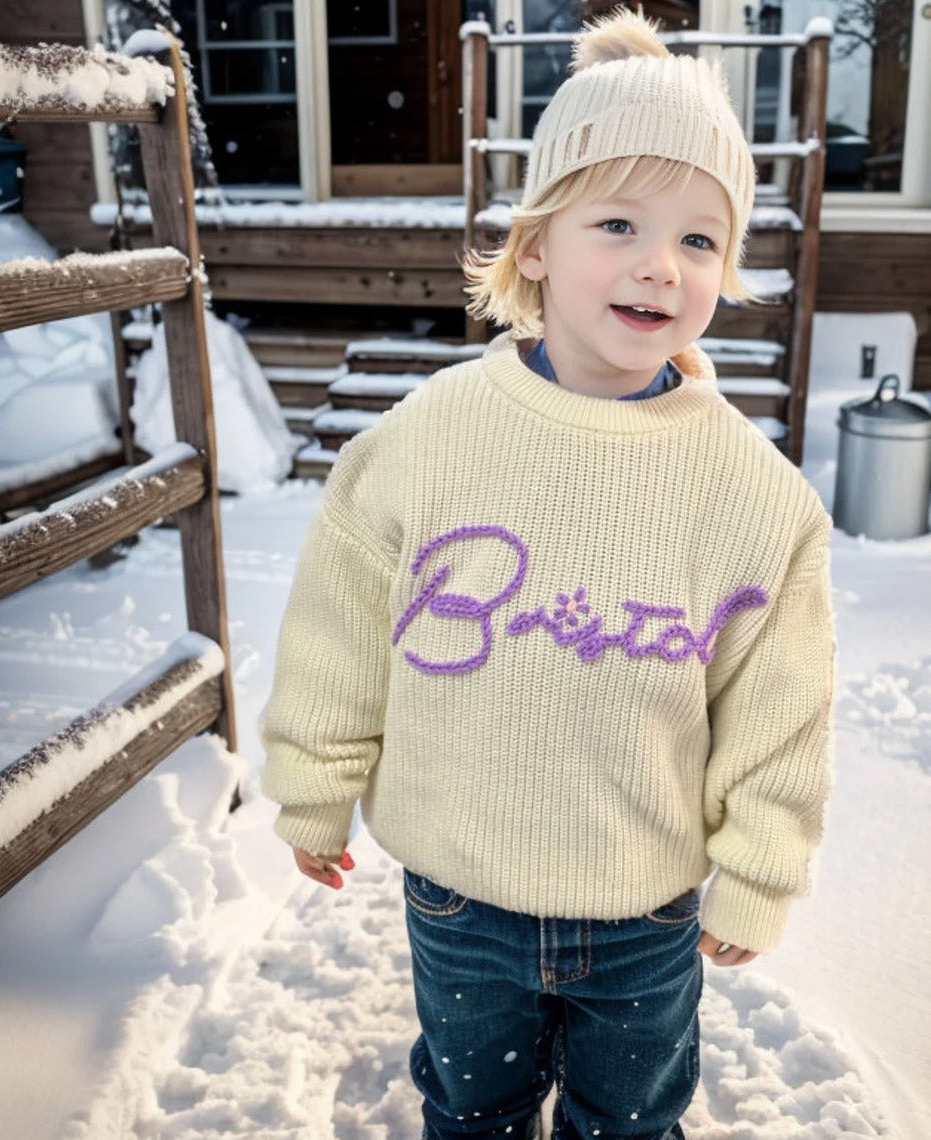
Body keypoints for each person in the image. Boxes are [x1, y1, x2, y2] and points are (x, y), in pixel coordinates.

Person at [261, 9, 834, 1139]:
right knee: (473, 1108)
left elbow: (782, 704)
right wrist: (315, 782)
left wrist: (761, 863)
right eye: (617, 223)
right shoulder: (431, 440)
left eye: (700, 240)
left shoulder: (751, 493)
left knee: (630, 1123)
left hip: (647, 909)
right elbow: (340, 622)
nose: (658, 267)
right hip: (460, 890)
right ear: (535, 244)